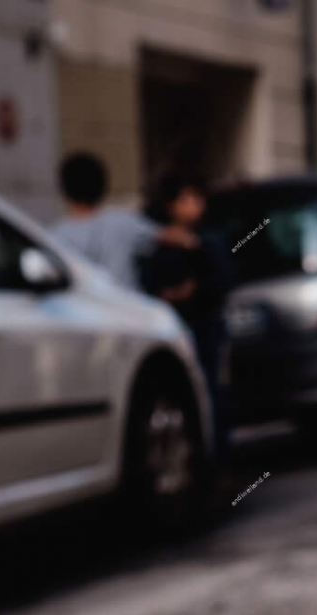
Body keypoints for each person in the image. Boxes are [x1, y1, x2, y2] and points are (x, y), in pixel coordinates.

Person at [139, 171, 232, 445]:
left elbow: (222, 279)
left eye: (196, 199)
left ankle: (217, 446)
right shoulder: (158, 240)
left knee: (213, 387)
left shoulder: (209, 239)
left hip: (205, 325)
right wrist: (167, 294)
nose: (193, 206)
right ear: (171, 205)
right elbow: (149, 280)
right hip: (174, 328)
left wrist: (195, 290)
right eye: (186, 200)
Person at [50, 152, 164, 291]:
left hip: (81, 307)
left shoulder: (54, 236)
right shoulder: (123, 221)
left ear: (64, 187)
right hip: (126, 305)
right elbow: (170, 237)